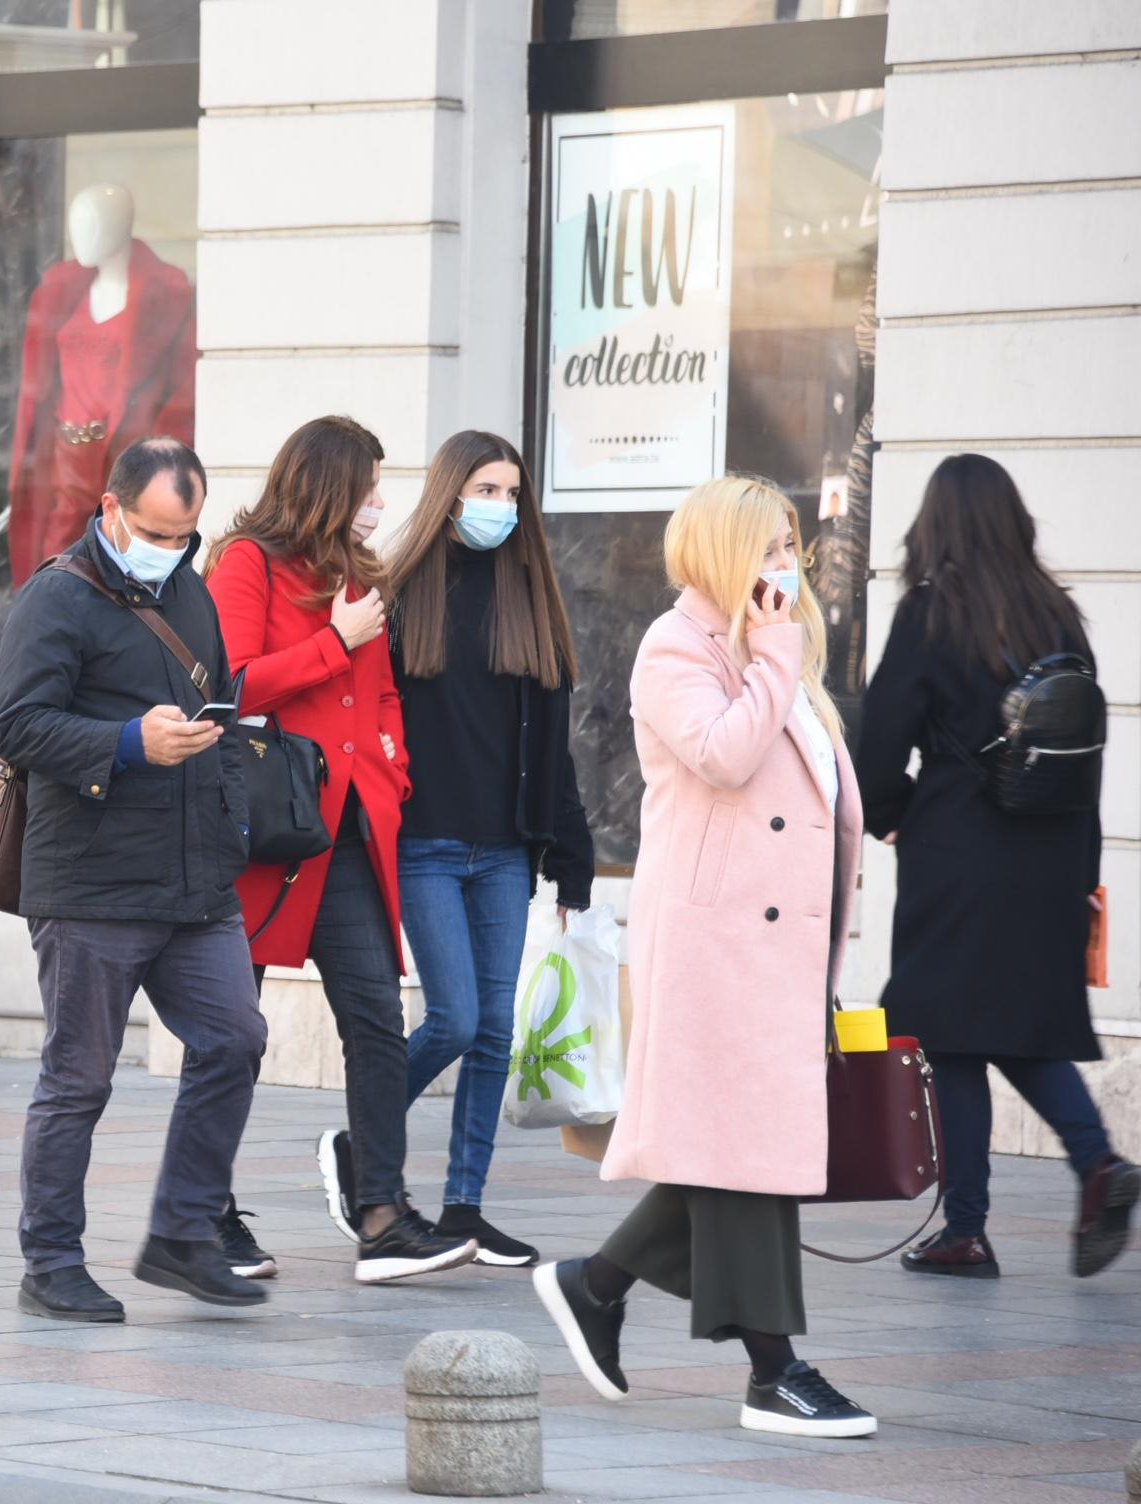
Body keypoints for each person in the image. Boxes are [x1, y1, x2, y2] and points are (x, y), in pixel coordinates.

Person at [535, 476, 877, 1440]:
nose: (787, 565)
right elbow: (724, 757)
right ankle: (775, 1369)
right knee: (745, 1156)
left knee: (734, 1149)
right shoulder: (675, 647)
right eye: (769, 547)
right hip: (719, 942)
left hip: (786, 947)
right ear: (724, 550)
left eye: (793, 548)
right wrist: (772, 659)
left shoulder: (781, 648)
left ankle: (595, 1286)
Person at [0, 435, 267, 1323]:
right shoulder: (56, 598)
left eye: (186, 533)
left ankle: (184, 1235)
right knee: (79, 1079)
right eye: (155, 530)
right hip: (90, 884)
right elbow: (19, 728)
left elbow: (220, 700)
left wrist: (231, 824)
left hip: (194, 881)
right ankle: (51, 1262)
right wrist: (124, 744)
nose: (172, 547)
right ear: (111, 511)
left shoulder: (190, 588)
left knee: (235, 1038)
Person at [203, 416, 477, 1285]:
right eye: (367, 489)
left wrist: (392, 768)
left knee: (375, 1023)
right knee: (231, 1031)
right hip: (263, 832)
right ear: (327, 488)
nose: (380, 505)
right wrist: (334, 643)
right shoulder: (246, 563)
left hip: (351, 832)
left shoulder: (359, 576)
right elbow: (230, 683)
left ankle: (383, 1217)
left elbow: (384, 694)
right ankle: (202, 1212)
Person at [858, 453, 1137, 1280]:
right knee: (1017, 1027)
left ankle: (969, 1227)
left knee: (950, 1034)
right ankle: (1095, 1165)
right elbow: (1084, 755)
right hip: (1053, 855)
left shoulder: (931, 615)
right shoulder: (1060, 618)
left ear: (935, 525)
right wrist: (1083, 877)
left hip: (959, 854)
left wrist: (897, 819)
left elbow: (875, 751)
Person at [374, 430, 592, 1267]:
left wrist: (572, 858)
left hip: (505, 851)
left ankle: (463, 1206)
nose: (500, 507)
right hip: (425, 843)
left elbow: (555, 748)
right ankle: (364, 1140)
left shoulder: (531, 596)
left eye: (512, 493)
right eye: (485, 490)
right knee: (456, 1018)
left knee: (495, 1032)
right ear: (448, 494)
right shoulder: (396, 596)